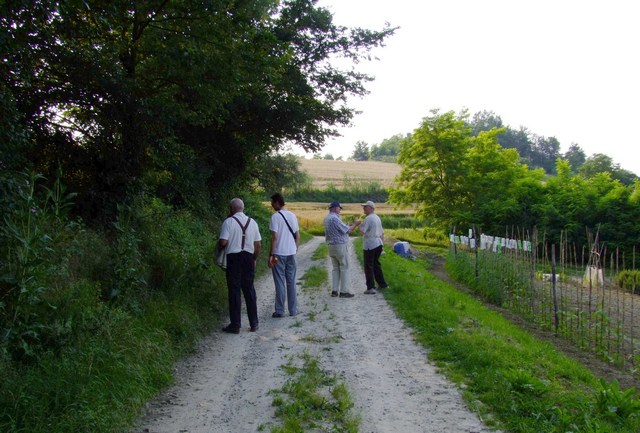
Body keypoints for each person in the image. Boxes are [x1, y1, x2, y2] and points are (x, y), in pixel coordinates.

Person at [218, 198, 261, 334]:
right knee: (249, 290)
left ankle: (235, 325)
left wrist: (219, 245)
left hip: (234, 259)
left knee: (234, 291)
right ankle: (254, 323)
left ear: (231, 209)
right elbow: (258, 244)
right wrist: (254, 258)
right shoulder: (252, 222)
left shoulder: (228, 222)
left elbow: (223, 242)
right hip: (248, 257)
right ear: (242, 208)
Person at [268, 192, 300, 318]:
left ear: (277, 202)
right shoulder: (292, 215)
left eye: (272, 203)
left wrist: (271, 254)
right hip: (291, 253)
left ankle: (280, 310)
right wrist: (294, 248)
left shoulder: (275, 217)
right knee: (291, 281)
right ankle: (293, 310)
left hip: (278, 254)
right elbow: (298, 236)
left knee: (279, 281)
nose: (271, 205)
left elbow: (275, 237)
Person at [324, 201, 361, 298]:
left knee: (336, 268)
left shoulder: (327, 218)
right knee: (345, 267)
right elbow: (348, 230)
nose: (340, 210)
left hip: (331, 246)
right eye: (339, 208)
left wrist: (348, 225)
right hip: (340, 245)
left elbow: (340, 229)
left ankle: (334, 290)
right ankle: (344, 291)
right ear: (336, 208)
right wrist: (355, 224)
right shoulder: (335, 219)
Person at [358, 200, 388, 294]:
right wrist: (382, 245)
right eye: (364, 206)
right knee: (376, 265)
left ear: (371, 208)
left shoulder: (368, 218)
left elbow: (363, 231)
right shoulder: (377, 217)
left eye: (365, 207)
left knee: (368, 266)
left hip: (370, 245)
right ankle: (383, 284)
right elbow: (382, 232)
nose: (364, 208)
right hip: (378, 243)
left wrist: (358, 225)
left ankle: (370, 287)